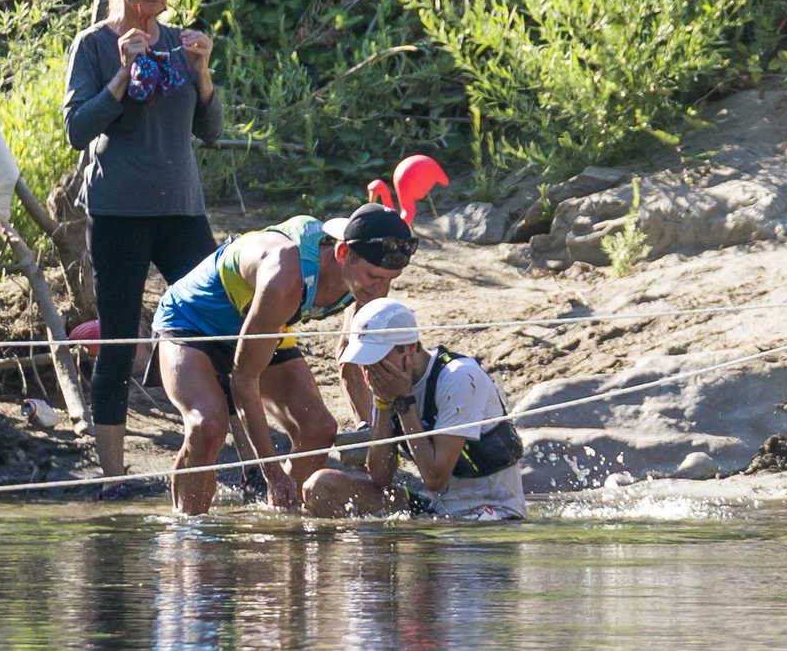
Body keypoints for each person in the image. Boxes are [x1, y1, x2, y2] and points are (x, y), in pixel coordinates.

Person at [62, 0, 223, 498]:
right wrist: (122, 71)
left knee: (220, 324)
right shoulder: (95, 45)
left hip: (181, 210)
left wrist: (202, 73)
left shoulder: (183, 42)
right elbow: (78, 128)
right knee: (118, 343)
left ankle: (231, 456)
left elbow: (211, 131)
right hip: (119, 212)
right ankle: (112, 477)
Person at [152, 203, 417, 515]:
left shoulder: (366, 281)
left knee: (318, 428)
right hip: (192, 322)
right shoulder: (285, 276)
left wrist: (366, 425)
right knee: (207, 424)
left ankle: (281, 518)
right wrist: (272, 473)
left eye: (391, 278)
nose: (381, 289)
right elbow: (243, 379)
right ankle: (190, 536)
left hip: (265, 322)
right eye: (374, 277)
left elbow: (349, 357)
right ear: (343, 253)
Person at [303, 297, 527, 521]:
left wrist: (403, 402)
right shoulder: (387, 380)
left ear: (409, 350)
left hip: (491, 513)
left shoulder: (459, 377)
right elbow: (381, 477)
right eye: (364, 360)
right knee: (320, 487)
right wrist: (382, 404)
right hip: (436, 509)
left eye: (376, 358)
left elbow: (435, 478)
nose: (370, 369)